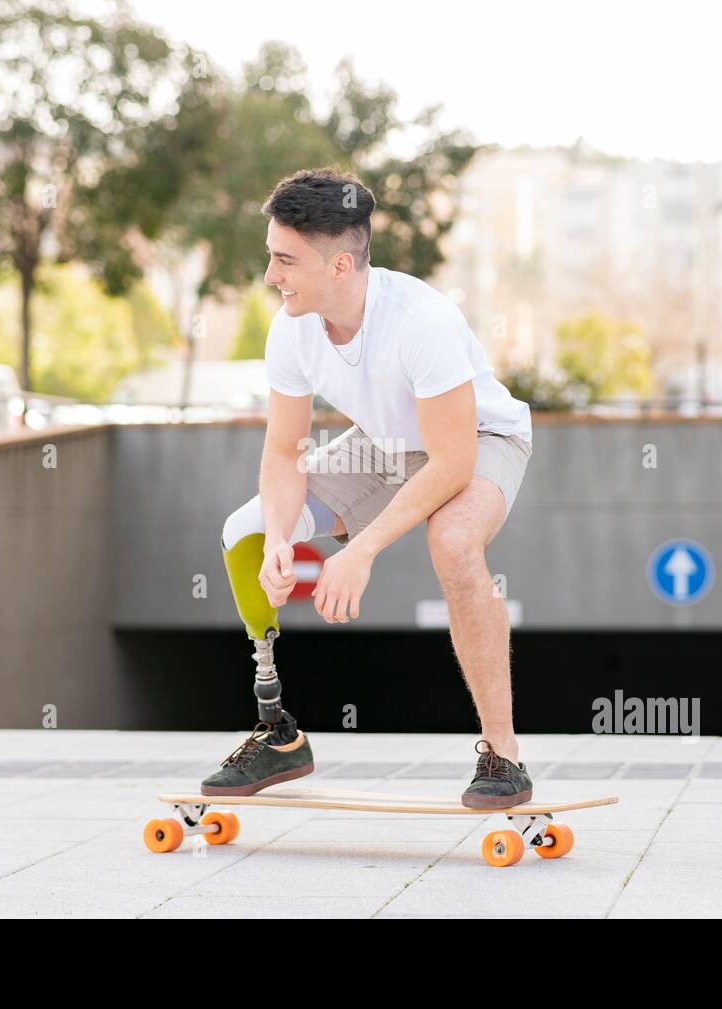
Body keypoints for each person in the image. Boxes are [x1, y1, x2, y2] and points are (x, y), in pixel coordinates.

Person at [206, 166, 535, 809]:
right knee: (243, 533)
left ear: (339, 267)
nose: (271, 276)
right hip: (384, 445)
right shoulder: (291, 326)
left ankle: (503, 756)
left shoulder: (422, 321)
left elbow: (450, 461)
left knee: (455, 543)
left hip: (479, 440)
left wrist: (359, 551)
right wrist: (280, 538)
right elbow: (282, 450)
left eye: (285, 260)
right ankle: (277, 730)